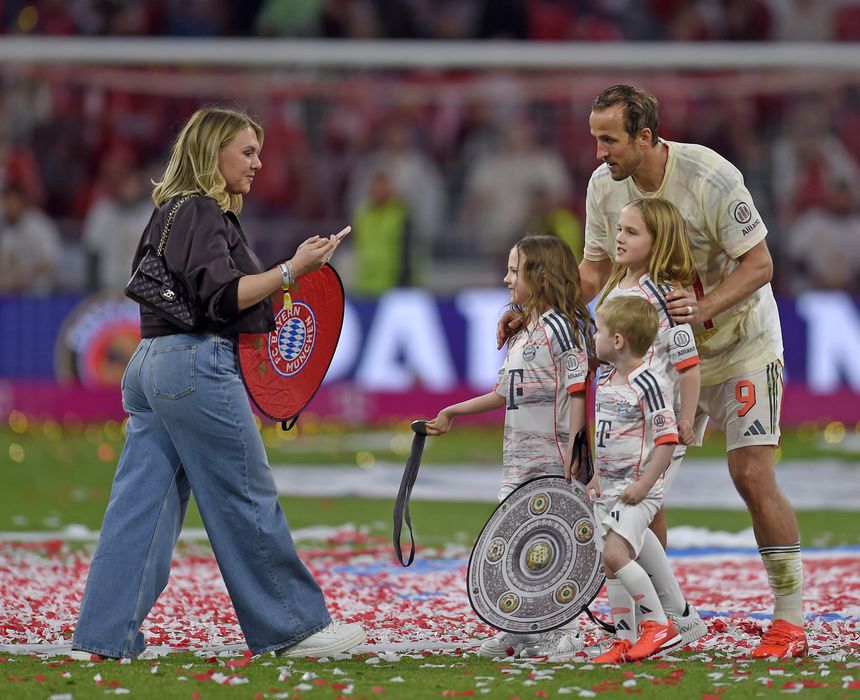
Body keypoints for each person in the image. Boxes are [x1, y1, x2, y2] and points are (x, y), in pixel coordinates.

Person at [71, 107, 365, 660]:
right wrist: (289, 271)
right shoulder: (203, 210)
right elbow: (221, 297)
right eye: (247, 152)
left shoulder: (170, 210)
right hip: (195, 366)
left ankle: (103, 637)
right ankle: (293, 628)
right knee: (245, 496)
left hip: (151, 363)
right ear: (212, 153)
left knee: (141, 509)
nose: (258, 164)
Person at [581, 84, 805, 659]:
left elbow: (760, 264)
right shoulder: (602, 188)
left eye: (610, 139)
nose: (599, 151)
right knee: (643, 486)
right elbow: (593, 272)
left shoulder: (710, 175)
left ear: (646, 137)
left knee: (751, 474)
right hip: (662, 353)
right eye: (595, 138)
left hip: (741, 344)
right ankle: (665, 619)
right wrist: (538, 304)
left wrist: (701, 309)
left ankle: (790, 620)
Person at [425, 234, 593, 658]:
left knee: (557, 544)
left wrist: (577, 454)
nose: (505, 278)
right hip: (516, 464)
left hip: (552, 462)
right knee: (515, 548)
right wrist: (452, 412)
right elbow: (503, 393)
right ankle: (520, 627)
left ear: (540, 276)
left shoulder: (561, 329)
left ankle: (567, 629)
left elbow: (577, 390)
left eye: (514, 270)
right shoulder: (524, 332)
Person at [584, 295, 682, 664]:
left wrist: (644, 486)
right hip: (609, 488)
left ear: (619, 340)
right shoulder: (607, 380)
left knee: (615, 552)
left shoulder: (650, 382)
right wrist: (595, 474)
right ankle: (623, 637)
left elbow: (667, 440)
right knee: (609, 562)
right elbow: (606, 435)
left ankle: (659, 624)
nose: (595, 337)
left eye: (599, 331)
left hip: (637, 491)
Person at [0, 181, 62, 295]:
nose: (10, 207)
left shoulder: (39, 226)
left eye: (13, 202)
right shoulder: (3, 228)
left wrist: (25, 276)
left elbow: (50, 262)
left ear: (22, 202)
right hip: (7, 297)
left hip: (37, 296)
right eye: (6, 202)